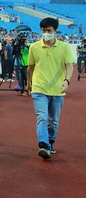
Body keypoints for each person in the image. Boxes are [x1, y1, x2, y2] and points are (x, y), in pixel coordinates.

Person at [27, 18, 73, 159]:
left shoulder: (64, 47)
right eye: (43, 30)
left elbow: (69, 65)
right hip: (39, 88)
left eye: (49, 31)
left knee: (53, 120)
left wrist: (66, 81)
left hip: (57, 89)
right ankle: (43, 144)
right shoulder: (34, 47)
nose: (46, 33)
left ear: (55, 31)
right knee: (42, 117)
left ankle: (50, 141)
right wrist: (29, 83)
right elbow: (31, 67)